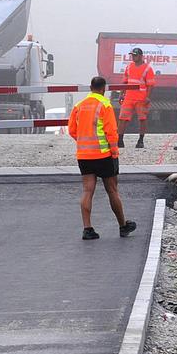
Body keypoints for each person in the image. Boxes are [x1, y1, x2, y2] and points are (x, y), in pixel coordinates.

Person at [68, 76, 137, 240]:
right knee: (112, 190)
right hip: (104, 155)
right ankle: (123, 226)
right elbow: (111, 133)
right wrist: (114, 152)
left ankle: (87, 229)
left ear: (91, 88)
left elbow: (72, 130)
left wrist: (84, 142)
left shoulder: (79, 106)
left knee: (87, 190)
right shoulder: (105, 105)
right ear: (103, 88)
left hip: (84, 155)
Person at [117, 47, 156, 148]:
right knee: (122, 119)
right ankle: (120, 140)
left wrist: (148, 97)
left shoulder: (147, 68)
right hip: (129, 97)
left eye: (135, 55)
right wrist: (121, 93)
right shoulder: (129, 67)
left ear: (141, 56)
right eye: (132, 55)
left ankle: (141, 140)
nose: (133, 57)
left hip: (141, 98)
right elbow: (125, 81)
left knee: (142, 119)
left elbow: (150, 84)